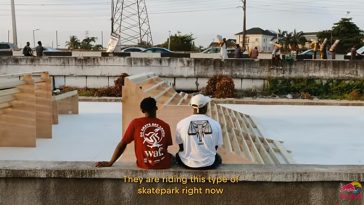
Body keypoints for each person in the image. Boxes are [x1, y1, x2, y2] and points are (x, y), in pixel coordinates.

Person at [96, 97, 173, 169]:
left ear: (142, 111)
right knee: (174, 157)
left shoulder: (135, 123)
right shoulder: (165, 125)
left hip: (143, 164)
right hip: (163, 164)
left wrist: (111, 162)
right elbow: (165, 147)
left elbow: (123, 144)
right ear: (156, 108)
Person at [175, 94, 223, 170]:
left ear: (191, 106)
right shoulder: (215, 124)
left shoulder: (181, 123)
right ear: (206, 106)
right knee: (218, 157)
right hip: (209, 164)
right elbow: (215, 147)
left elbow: (181, 147)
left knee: (177, 155)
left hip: (187, 163)